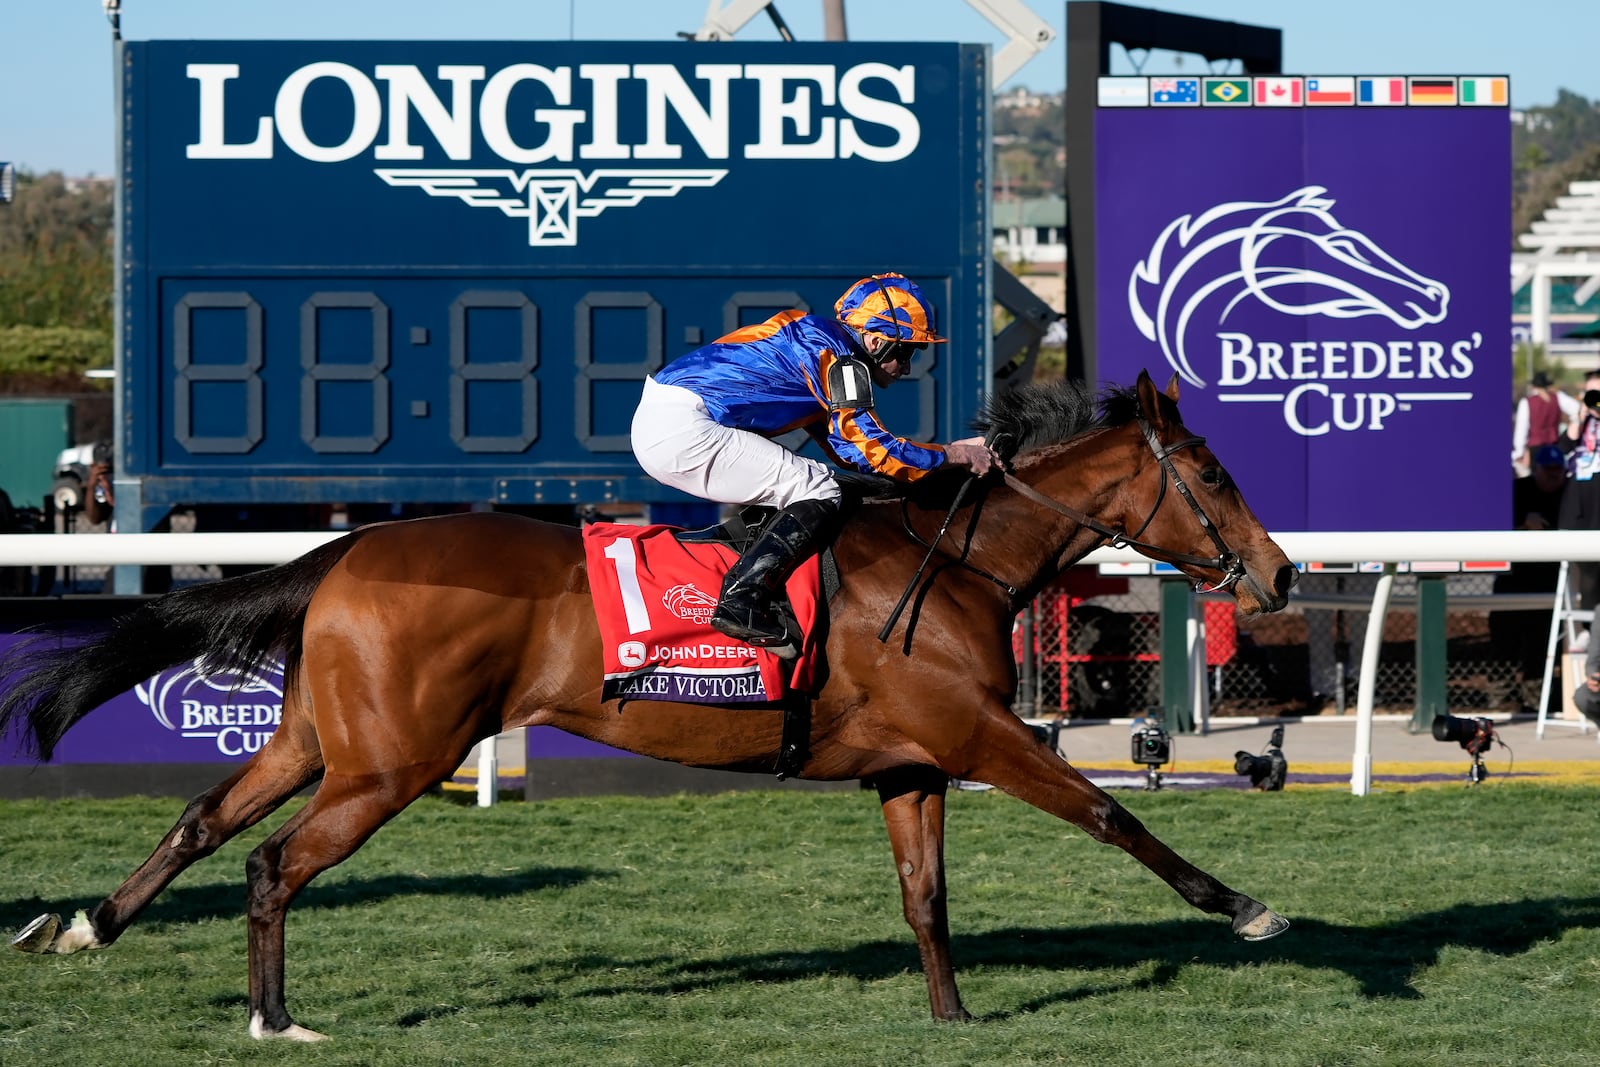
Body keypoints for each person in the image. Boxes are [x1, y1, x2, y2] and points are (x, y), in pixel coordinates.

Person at [631, 273, 999, 653]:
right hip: (684, 428)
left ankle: (734, 562)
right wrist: (955, 454)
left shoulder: (816, 344)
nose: (906, 367)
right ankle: (742, 599)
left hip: (667, 423)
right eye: (905, 352)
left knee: (809, 482)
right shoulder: (840, 362)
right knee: (817, 487)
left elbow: (849, 454)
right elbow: (878, 451)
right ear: (874, 340)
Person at [1492, 444, 1568, 704]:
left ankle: (1535, 695)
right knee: (1504, 637)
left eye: (1558, 471)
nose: (1553, 476)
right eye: (1548, 471)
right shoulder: (1518, 490)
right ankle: (1500, 693)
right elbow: (1495, 527)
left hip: (1550, 579)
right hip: (1514, 577)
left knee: (1541, 639)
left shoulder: (1570, 494)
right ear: (1536, 469)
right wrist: (1524, 523)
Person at [1556, 369, 1600, 638]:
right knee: (1586, 566)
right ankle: (1587, 627)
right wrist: (1579, 418)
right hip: (1580, 496)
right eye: (1590, 393)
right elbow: (1563, 449)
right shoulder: (1582, 422)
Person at [1511, 371, 1579, 477]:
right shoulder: (1558, 397)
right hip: (1555, 445)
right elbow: (1576, 409)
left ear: (1534, 386)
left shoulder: (1527, 402)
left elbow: (1522, 429)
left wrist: (1519, 451)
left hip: (1535, 448)